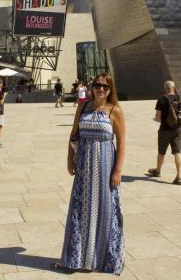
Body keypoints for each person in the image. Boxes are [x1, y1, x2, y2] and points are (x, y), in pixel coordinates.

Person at [56, 72, 125, 274]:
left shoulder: (115, 111)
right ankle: (77, 257)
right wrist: (70, 158)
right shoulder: (83, 106)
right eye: (97, 85)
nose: (100, 89)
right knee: (81, 210)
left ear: (110, 89)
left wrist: (117, 171)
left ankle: (102, 259)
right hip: (84, 168)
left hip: (105, 167)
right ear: (92, 87)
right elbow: (73, 134)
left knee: (105, 211)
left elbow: (121, 144)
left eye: (105, 86)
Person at [148, 80, 181, 184]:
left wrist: (156, 119)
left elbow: (157, 117)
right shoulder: (180, 98)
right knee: (177, 152)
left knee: (161, 152)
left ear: (165, 89)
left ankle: (158, 171)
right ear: (174, 88)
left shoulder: (162, 99)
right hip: (178, 129)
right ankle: (179, 177)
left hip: (165, 129)